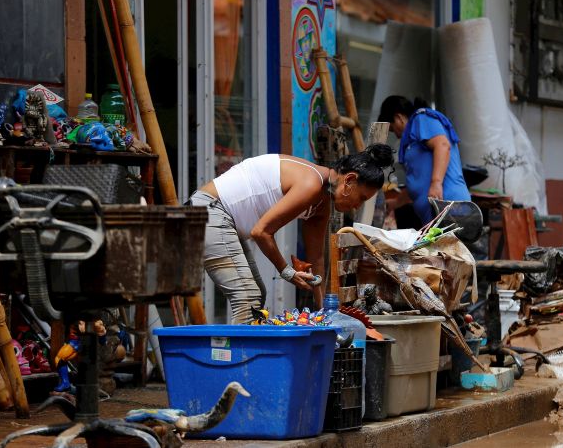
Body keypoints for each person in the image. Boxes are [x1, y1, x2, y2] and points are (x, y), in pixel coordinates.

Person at [187, 144, 395, 324]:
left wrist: (324, 311)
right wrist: (287, 271)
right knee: (247, 297)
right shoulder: (311, 183)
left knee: (257, 295)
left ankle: (249, 361)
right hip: (209, 211)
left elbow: (316, 259)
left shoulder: (322, 203)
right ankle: (242, 367)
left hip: (224, 220)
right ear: (349, 180)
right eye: (361, 198)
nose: (356, 206)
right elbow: (261, 232)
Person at [377, 96, 471, 225]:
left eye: (393, 129)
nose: (397, 135)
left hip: (448, 207)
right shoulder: (411, 142)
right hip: (433, 215)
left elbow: (442, 145)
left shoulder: (421, 118)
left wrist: (436, 183)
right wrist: (397, 202)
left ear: (398, 118)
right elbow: (418, 182)